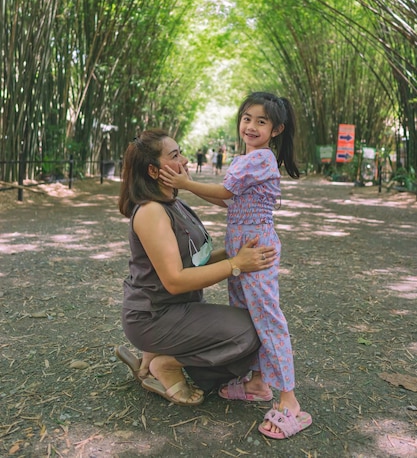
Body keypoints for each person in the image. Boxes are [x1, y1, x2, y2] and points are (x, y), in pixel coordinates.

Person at [160, 92, 312, 439]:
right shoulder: (247, 160)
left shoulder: (259, 159)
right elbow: (227, 200)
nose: (252, 125)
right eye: (247, 118)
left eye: (261, 121)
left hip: (255, 250)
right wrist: (188, 188)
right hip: (243, 249)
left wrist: (184, 183)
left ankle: (290, 400)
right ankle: (259, 383)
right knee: (246, 312)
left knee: (268, 318)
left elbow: (225, 192)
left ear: (277, 129)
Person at [115, 128, 276, 408]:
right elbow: (175, 280)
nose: (186, 161)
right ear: (153, 171)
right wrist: (234, 265)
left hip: (177, 311)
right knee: (250, 333)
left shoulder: (175, 203)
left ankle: (153, 358)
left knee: (259, 324)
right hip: (155, 316)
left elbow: (195, 260)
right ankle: (165, 363)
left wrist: (235, 253)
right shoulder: (152, 212)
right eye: (175, 156)